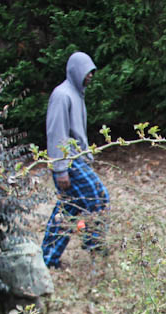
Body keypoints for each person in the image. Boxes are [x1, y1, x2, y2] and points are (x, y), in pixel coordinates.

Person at [41, 51, 110, 270]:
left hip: (76, 159)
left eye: (92, 72)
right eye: (87, 72)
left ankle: (48, 258)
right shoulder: (62, 95)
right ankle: (94, 245)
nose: (90, 76)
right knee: (98, 196)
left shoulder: (75, 94)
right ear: (76, 71)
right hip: (68, 162)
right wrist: (61, 169)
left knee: (69, 208)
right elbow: (57, 133)